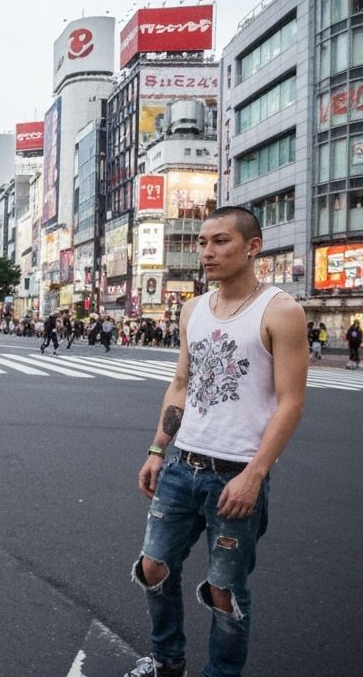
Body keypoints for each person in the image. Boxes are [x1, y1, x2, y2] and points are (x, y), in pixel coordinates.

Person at [128, 207, 307, 677]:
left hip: (236, 474)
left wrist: (255, 474)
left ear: (253, 247)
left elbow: (291, 402)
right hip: (182, 465)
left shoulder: (281, 311)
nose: (207, 251)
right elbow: (182, 384)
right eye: (203, 242)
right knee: (153, 568)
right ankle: (167, 661)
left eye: (221, 241)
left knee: (225, 591)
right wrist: (156, 449)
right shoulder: (193, 309)